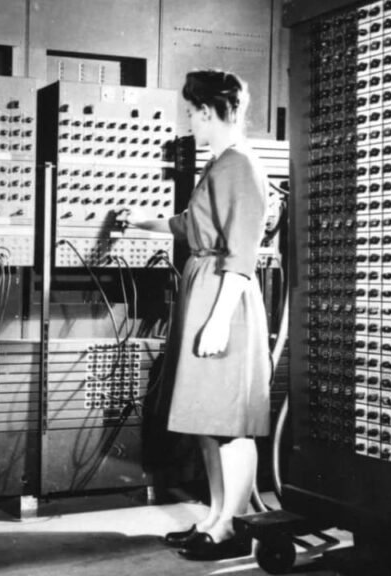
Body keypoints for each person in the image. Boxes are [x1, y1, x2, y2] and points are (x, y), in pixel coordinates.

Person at [122, 69, 270, 561]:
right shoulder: (220, 163)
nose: (189, 122)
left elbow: (242, 254)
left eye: (191, 113)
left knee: (230, 422)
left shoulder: (240, 165)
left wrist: (220, 318)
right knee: (209, 417)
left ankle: (232, 525)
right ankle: (214, 516)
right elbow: (189, 224)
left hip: (225, 297)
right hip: (204, 289)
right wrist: (139, 222)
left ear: (208, 112)